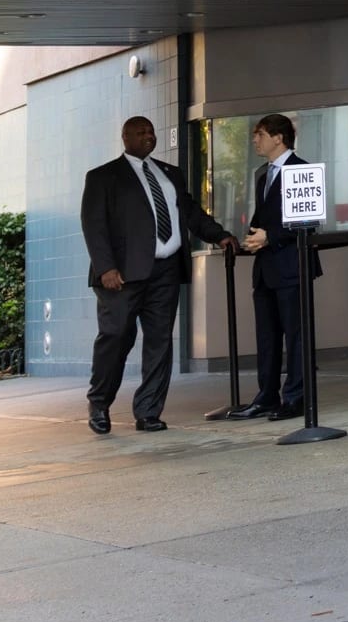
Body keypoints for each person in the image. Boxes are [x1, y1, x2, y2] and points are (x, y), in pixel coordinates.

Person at [79, 114, 234, 434]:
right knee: (117, 337)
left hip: (165, 270)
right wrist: (106, 267)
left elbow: (189, 212)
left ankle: (148, 411)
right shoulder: (103, 176)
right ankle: (99, 402)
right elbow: (94, 226)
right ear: (125, 137)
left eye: (151, 131)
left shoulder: (170, 174)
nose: (148, 136)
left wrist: (219, 235)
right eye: (140, 132)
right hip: (121, 275)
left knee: (160, 342)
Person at [239, 113, 325, 420]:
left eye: (260, 134)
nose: (255, 140)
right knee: (267, 336)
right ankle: (267, 396)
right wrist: (252, 238)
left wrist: (270, 237)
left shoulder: (302, 170)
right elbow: (263, 219)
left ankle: (297, 397)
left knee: (297, 335)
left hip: (292, 266)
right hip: (266, 269)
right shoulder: (263, 175)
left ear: (279, 137)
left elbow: (309, 221)